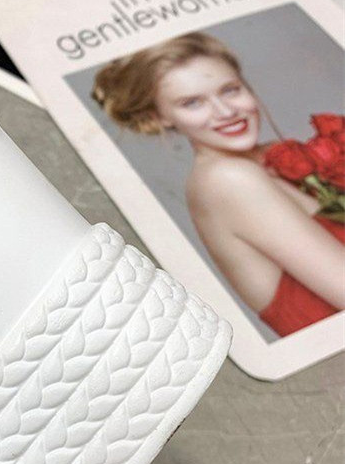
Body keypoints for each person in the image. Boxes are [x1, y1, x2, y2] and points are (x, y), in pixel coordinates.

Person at [92, 33, 345, 337]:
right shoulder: (226, 179)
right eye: (192, 103)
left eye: (230, 90)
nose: (226, 112)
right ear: (159, 116)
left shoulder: (275, 155)